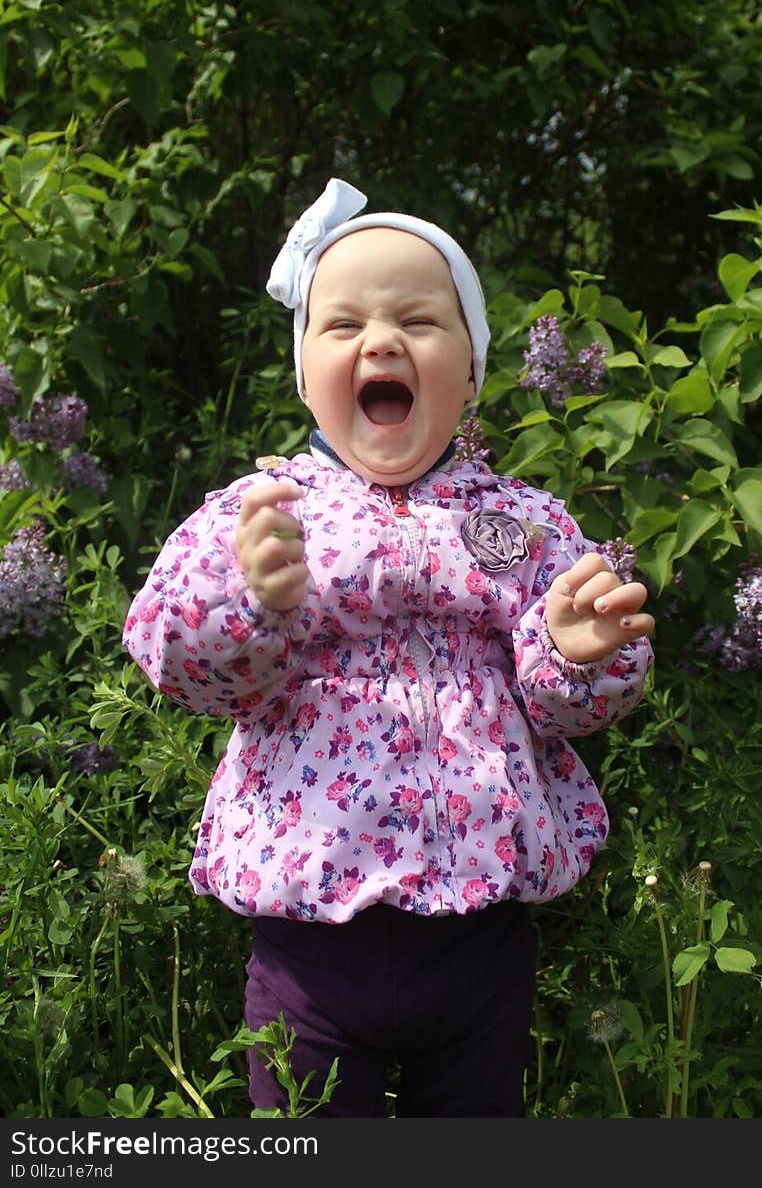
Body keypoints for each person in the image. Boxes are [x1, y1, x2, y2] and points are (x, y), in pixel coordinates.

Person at [123, 178, 655, 1118]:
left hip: (483, 939)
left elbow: (565, 711)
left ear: (474, 369)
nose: (380, 342)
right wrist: (251, 605)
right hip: (311, 942)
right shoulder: (262, 514)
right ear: (302, 373)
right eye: (342, 327)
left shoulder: (525, 524)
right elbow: (177, 661)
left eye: (419, 319)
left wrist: (576, 653)